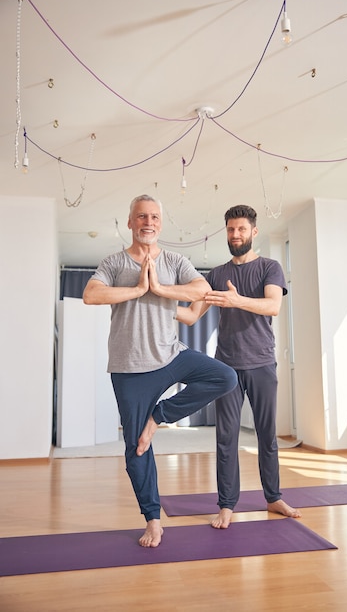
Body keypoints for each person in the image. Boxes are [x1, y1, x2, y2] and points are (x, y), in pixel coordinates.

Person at [83, 194, 237, 548]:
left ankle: (161, 415)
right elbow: (92, 295)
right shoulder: (114, 262)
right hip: (129, 368)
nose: (148, 222)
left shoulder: (174, 260)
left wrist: (160, 289)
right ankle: (153, 520)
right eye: (141, 216)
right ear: (131, 222)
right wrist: (137, 288)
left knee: (224, 377)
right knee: (137, 448)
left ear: (160, 223)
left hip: (170, 356)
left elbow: (201, 288)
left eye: (153, 217)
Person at [176, 204, 301, 529]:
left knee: (266, 436)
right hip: (226, 368)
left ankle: (273, 497)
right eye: (231, 229)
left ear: (253, 232)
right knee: (226, 438)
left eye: (241, 229)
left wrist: (236, 300)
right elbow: (191, 315)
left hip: (261, 363)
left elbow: (273, 306)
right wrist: (155, 304)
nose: (235, 235)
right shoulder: (216, 275)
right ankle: (226, 505)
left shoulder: (270, 267)